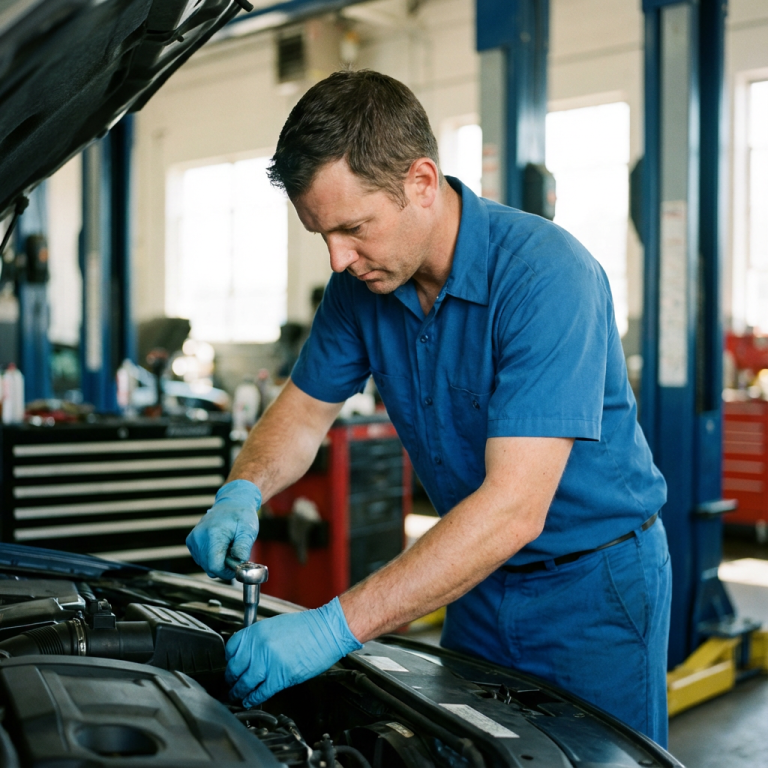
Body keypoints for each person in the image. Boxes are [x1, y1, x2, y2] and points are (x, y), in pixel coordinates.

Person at [186, 70, 672, 746]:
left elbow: (513, 509)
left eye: (354, 228)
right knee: (471, 755)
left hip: (591, 590)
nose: (338, 258)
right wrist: (242, 488)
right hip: (472, 578)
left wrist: (334, 626)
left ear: (420, 181)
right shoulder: (360, 291)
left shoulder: (547, 276)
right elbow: (300, 414)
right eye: (321, 234)